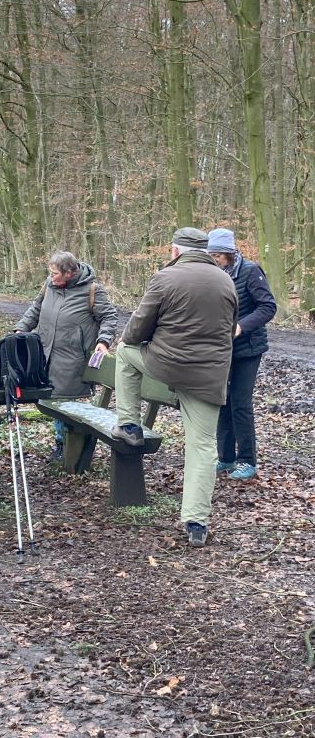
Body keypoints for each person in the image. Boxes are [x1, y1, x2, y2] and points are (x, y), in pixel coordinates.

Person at [112, 228, 238, 547]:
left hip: (167, 366)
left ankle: (129, 424)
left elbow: (135, 331)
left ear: (175, 251)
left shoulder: (165, 278)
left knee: (125, 352)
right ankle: (196, 523)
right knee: (203, 447)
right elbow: (228, 331)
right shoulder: (226, 281)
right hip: (209, 376)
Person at [15, 250, 118, 460]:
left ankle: (68, 447)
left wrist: (103, 341)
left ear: (69, 273)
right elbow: (36, 308)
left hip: (72, 359)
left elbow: (109, 316)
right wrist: (20, 329)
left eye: (55, 273)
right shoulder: (49, 285)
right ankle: (62, 443)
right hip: (45, 353)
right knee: (52, 399)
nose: (51, 277)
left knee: (65, 400)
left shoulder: (92, 290)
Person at [207, 227, 277, 480]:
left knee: (240, 403)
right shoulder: (213, 275)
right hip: (222, 348)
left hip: (248, 348)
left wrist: (241, 326)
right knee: (222, 401)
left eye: (217, 256)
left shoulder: (250, 271)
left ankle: (247, 460)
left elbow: (268, 307)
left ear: (230, 253)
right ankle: (225, 458)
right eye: (211, 255)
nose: (214, 260)